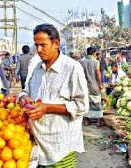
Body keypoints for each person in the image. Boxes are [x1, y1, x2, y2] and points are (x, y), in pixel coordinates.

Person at [18, 24, 89, 167]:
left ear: (56, 44)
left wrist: (47, 108)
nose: (38, 50)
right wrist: (23, 98)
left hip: (61, 145)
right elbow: (26, 91)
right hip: (38, 143)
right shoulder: (37, 68)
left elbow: (82, 106)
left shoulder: (72, 67)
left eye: (43, 45)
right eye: (36, 45)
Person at [81, 47, 104, 126]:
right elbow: (98, 74)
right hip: (94, 85)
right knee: (97, 101)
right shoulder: (96, 62)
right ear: (94, 53)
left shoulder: (81, 62)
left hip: (84, 86)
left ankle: (86, 120)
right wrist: (101, 84)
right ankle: (98, 121)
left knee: (86, 102)